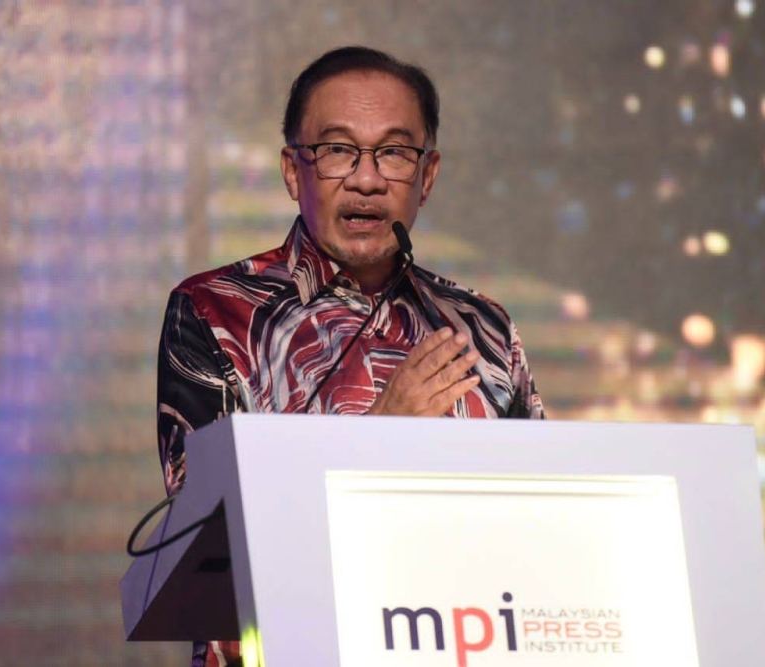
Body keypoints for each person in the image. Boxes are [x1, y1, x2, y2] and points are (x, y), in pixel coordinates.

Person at [156, 45, 545, 667]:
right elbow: (203, 541)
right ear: (293, 171)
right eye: (338, 150)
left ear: (427, 176)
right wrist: (379, 434)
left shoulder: (483, 328)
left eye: (394, 152)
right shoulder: (215, 312)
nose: (367, 179)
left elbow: (540, 525)